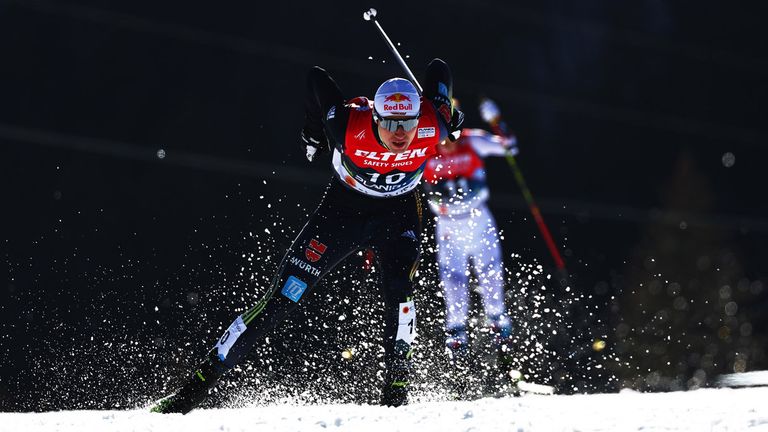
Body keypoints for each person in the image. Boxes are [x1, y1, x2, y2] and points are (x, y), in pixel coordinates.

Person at [152, 59, 463, 413]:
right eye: (390, 123)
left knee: (399, 291)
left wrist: (448, 111)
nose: (400, 134)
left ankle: (396, 395)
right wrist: (313, 129)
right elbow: (316, 78)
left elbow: (439, 69)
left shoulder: (432, 124)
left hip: (398, 212)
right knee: (284, 297)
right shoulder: (347, 125)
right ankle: (194, 389)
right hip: (343, 211)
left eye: (407, 124)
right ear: (375, 117)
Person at [421, 98, 518, 388]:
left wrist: (496, 120)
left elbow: (510, 147)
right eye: (443, 133)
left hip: (478, 220)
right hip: (448, 225)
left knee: (491, 277)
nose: (449, 142)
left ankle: (504, 350)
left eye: (453, 132)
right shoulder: (424, 150)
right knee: (453, 285)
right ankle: (458, 362)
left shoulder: (472, 140)